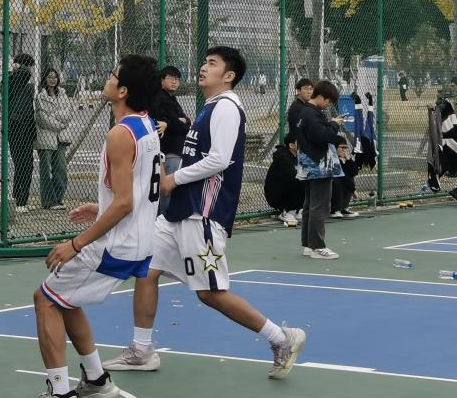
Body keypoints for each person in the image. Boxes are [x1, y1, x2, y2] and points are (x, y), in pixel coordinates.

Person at [104, 47, 306, 380]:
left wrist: (173, 179)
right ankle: (141, 350)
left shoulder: (226, 107)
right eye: (204, 61)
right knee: (145, 270)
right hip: (181, 211)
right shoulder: (211, 106)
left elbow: (219, 159)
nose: (203, 67)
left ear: (229, 76)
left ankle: (281, 338)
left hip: (203, 212)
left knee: (210, 293)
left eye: (212, 64)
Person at [33, 55, 162, 398]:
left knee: (45, 299)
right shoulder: (147, 125)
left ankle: (59, 391)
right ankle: (96, 379)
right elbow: (139, 188)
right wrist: (100, 206)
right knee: (65, 298)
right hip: (140, 241)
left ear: (123, 91)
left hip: (114, 245)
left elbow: (124, 202)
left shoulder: (120, 134)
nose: (107, 78)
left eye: (112, 75)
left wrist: (75, 244)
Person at [296, 80, 345, 259]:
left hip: (311, 164)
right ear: (322, 97)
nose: (328, 105)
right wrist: (334, 124)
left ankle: (309, 245)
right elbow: (323, 136)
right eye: (329, 101)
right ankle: (317, 246)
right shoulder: (312, 113)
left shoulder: (306, 111)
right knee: (319, 206)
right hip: (318, 165)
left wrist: (330, 123)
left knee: (310, 206)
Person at [149, 65, 190, 214]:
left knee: (168, 190)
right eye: (171, 78)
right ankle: (164, 221)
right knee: (167, 191)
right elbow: (180, 124)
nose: (174, 81)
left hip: (173, 152)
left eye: (177, 79)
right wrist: (179, 121)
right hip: (168, 152)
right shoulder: (160, 99)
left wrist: (177, 122)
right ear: (161, 80)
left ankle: (164, 220)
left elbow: (186, 121)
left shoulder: (171, 98)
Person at [35, 67, 73, 210]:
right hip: (46, 137)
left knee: (61, 169)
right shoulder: (40, 96)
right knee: (47, 170)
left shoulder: (63, 94)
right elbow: (42, 118)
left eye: (55, 77)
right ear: (45, 79)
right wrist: (60, 122)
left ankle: (58, 198)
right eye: (50, 77)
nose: (52, 79)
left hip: (61, 138)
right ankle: (48, 201)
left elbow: (68, 113)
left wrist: (54, 116)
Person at [8, 53, 37, 211]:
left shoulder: (24, 83)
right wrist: (19, 67)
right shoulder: (13, 80)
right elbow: (25, 73)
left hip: (27, 128)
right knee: (21, 164)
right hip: (16, 127)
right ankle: (18, 200)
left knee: (27, 165)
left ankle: (21, 200)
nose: (30, 70)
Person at [263, 139, 304, 225]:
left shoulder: (300, 155)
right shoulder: (282, 157)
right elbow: (292, 176)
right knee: (297, 180)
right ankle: (286, 211)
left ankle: (297, 210)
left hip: (289, 190)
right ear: (291, 145)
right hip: (276, 195)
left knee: (309, 180)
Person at [330, 139, 359, 219]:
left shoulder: (339, 160)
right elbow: (342, 177)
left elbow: (354, 172)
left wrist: (348, 159)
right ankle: (333, 210)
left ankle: (342, 208)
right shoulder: (330, 159)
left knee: (349, 176)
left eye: (345, 148)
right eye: (342, 147)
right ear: (334, 147)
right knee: (338, 181)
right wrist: (353, 190)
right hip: (324, 187)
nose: (344, 150)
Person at [285, 79, 313, 144]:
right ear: (298, 91)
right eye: (306, 89)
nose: (309, 92)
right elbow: (299, 130)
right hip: (298, 144)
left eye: (311, 89)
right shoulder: (297, 108)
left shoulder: (304, 105)